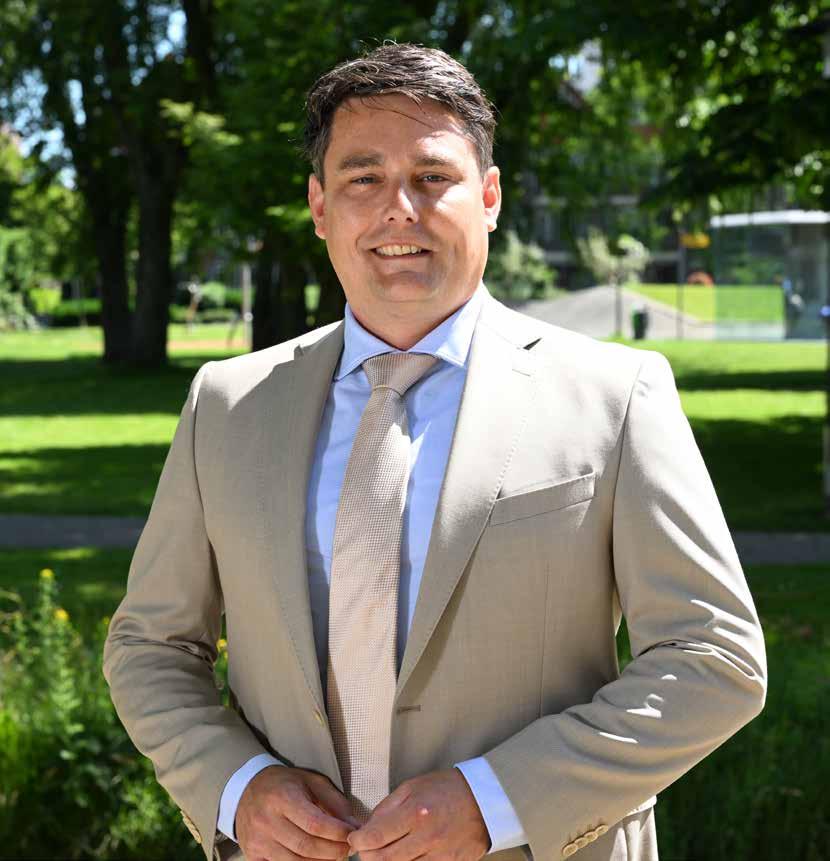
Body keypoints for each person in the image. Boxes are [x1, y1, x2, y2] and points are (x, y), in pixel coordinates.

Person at [103, 43, 767, 861]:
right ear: (319, 206)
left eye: (432, 177)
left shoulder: (617, 396)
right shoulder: (227, 405)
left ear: (488, 197)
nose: (398, 210)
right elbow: (150, 647)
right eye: (363, 178)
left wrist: (500, 800)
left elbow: (714, 655)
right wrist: (237, 788)